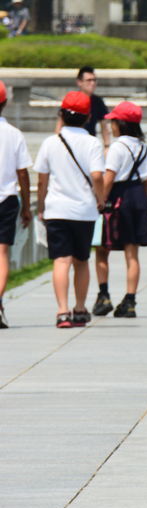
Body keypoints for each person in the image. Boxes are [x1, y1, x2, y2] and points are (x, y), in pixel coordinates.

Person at [33, 90, 105, 328]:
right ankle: (80, 308)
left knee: (61, 261)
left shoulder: (51, 143)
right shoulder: (93, 143)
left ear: (61, 114)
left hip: (56, 208)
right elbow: (97, 175)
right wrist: (101, 197)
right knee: (81, 260)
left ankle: (62, 311)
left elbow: (42, 179)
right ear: (88, 117)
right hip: (84, 210)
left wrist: (41, 204)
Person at [97, 101, 147, 319]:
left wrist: (100, 200)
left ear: (120, 124)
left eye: (113, 122)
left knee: (103, 248)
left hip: (118, 197)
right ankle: (130, 300)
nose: (111, 126)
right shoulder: (145, 148)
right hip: (138, 196)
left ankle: (103, 295)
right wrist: (142, 202)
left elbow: (108, 178)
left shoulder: (117, 147)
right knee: (132, 253)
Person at [0, 80, 32, 330]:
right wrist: (26, 207)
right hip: (7, 199)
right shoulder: (14, 134)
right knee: (2, 254)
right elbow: (23, 173)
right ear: (5, 103)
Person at [75, 66, 110, 143]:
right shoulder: (72, 100)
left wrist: (107, 146)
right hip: (73, 142)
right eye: (89, 80)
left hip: (90, 143)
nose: (93, 83)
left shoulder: (98, 101)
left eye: (94, 80)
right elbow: (61, 123)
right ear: (79, 82)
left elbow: (104, 126)